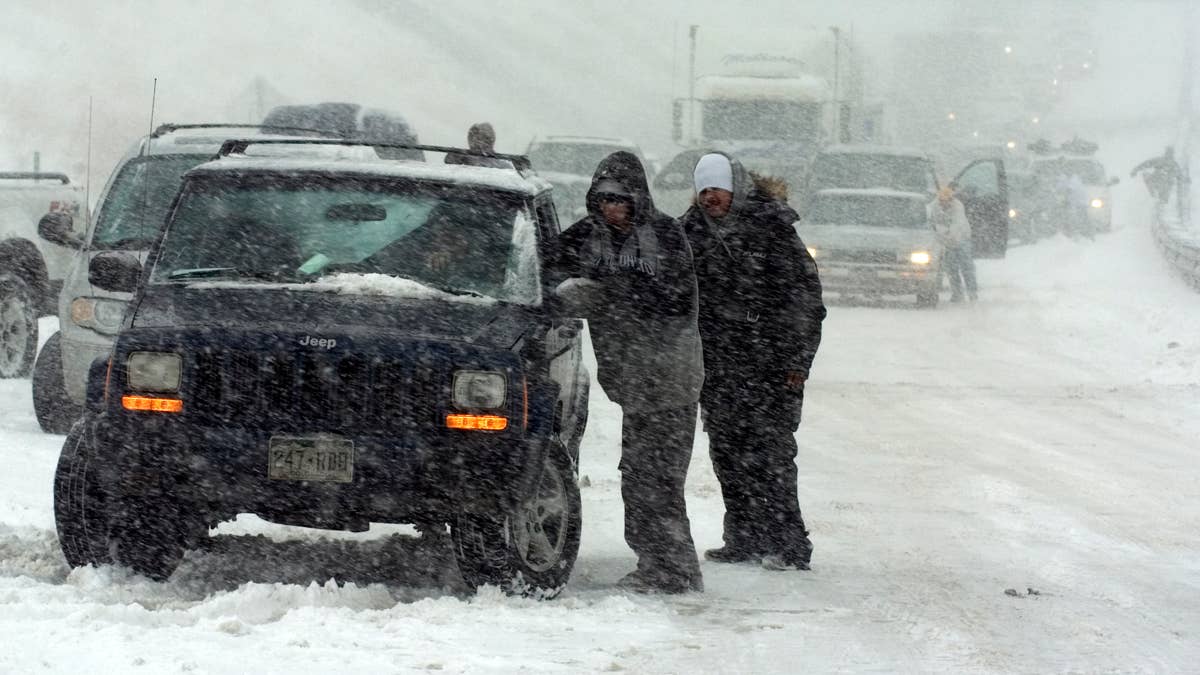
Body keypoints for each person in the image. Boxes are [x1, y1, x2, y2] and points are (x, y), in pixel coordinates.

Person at [553, 151, 705, 594]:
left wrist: (605, 294)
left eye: (620, 198)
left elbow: (675, 300)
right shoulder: (588, 236)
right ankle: (655, 562)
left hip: (671, 376)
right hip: (631, 381)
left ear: (638, 197)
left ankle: (675, 570)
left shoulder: (666, 235)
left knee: (660, 478)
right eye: (603, 199)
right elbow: (543, 261)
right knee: (637, 476)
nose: (612, 208)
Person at [680, 152, 825, 571]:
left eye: (718, 189)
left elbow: (805, 300)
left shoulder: (772, 229)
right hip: (717, 365)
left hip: (769, 363)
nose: (710, 197)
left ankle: (789, 544)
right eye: (704, 190)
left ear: (735, 189)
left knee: (771, 454)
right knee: (728, 452)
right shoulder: (689, 232)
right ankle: (743, 536)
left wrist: (797, 360)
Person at [930, 185, 978, 301]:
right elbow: (932, 222)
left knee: (967, 267)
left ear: (951, 199)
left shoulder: (958, 206)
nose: (944, 203)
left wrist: (945, 233)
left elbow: (957, 225)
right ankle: (957, 294)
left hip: (962, 239)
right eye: (942, 201)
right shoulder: (934, 207)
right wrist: (943, 234)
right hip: (946, 242)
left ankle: (972, 292)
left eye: (946, 201)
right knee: (951, 269)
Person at [445, 122, 511, 168]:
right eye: (470, 137)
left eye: (479, 139)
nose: (473, 143)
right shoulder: (460, 159)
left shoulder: (504, 167)